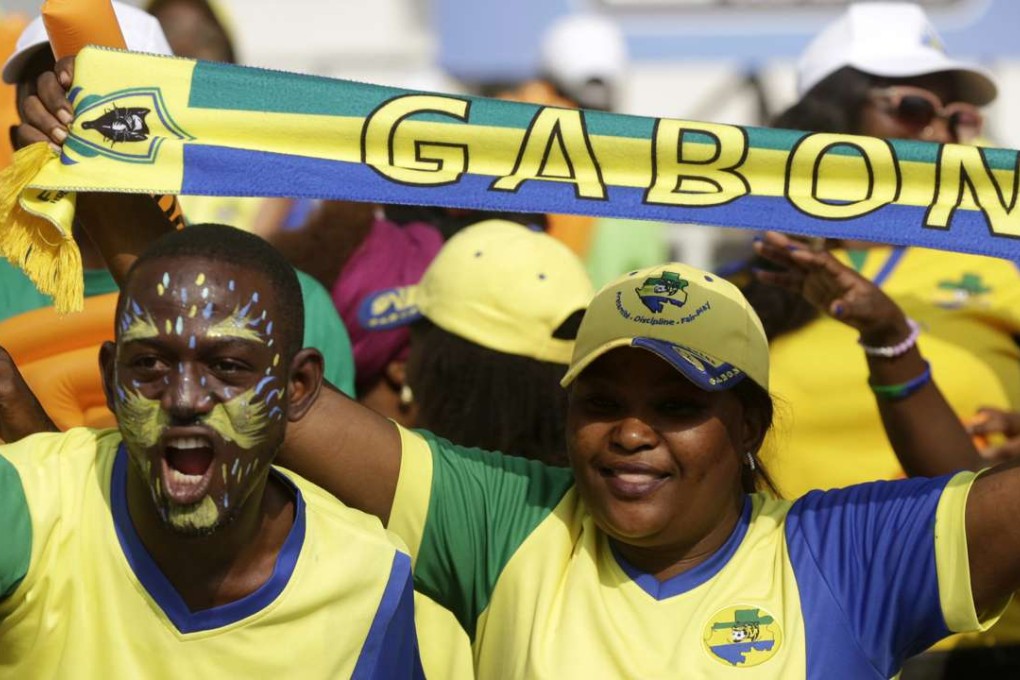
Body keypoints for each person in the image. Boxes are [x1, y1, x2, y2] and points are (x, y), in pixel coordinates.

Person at [0, 225, 422, 677]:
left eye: (227, 366)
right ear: (111, 378)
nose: (184, 399)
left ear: (296, 388)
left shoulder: (367, 576)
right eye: (150, 364)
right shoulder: (26, 503)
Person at [736, 4, 1020, 669]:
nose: (946, 135)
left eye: (961, 119)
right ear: (830, 123)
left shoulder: (1008, 259)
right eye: (915, 108)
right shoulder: (763, 276)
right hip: (795, 628)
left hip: (983, 638)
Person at [362, 219, 593, 464]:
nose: (403, 365)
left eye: (415, 335)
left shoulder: (398, 489)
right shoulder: (598, 492)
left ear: (448, 372)